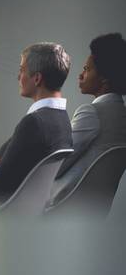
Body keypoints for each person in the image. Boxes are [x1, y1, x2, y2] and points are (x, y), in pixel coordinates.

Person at [0, 42, 72, 209]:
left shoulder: (35, 122)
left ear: (37, 78)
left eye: (21, 70)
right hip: (25, 210)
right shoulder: (63, 119)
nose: (18, 76)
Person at [48, 33, 126, 207]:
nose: (80, 75)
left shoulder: (91, 112)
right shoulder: (122, 115)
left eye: (86, 69)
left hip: (58, 205)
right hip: (95, 209)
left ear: (104, 79)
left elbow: (56, 167)